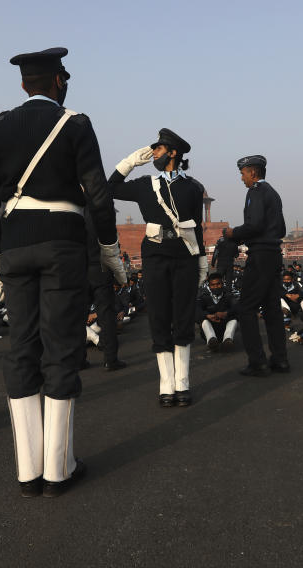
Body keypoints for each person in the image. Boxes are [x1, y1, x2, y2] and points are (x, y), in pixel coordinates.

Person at [0, 48, 125, 496]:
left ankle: (28, 471)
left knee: (21, 348)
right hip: (62, 242)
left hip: (15, 245)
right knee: (61, 348)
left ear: (24, 85)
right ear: (59, 81)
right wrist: (109, 249)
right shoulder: (76, 124)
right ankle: (59, 468)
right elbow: (98, 195)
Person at [109, 128, 205, 407]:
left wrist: (201, 261)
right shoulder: (144, 184)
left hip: (185, 256)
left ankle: (183, 382)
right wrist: (129, 162)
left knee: (184, 316)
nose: (155, 153)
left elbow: (197, 227)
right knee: (159, 316)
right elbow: (109, 188)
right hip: (155, 257)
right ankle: (166, 383)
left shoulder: (193, 187)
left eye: (160, 149)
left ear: (173, 153)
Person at [224, 155, 289, 376]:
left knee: (246, 308)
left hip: (260, 255)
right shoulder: (273, 193)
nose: (241, 178)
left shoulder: (256, 192)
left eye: (242, 173)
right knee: (271, 309)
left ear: (252, 173)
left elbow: (255, 224)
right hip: (273, 254)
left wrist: (234, 233)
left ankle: (257, 362)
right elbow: (280, 229)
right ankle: (280, 359)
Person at [84, 210, 127, 371]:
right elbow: (113, 245)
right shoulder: (102, 215)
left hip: (79, 269)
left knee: (77, 315)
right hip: (101, 268)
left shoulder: (73, 211)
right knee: (106, 314)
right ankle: (110, 359)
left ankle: (79, 359)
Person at [196, 272, 238, 351]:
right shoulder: (204, 298)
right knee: (203, 319)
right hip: (210, 330)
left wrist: (226, 313)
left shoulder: (229, 296)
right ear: (209, 286)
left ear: (222, 284)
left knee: (234, 318)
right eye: (213, 285)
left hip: (225, 328)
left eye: (218, 284)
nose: (216, 287)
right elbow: (196, 310)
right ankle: (212, 341)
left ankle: (228, 340)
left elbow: (237, 307)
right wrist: (207, 315)